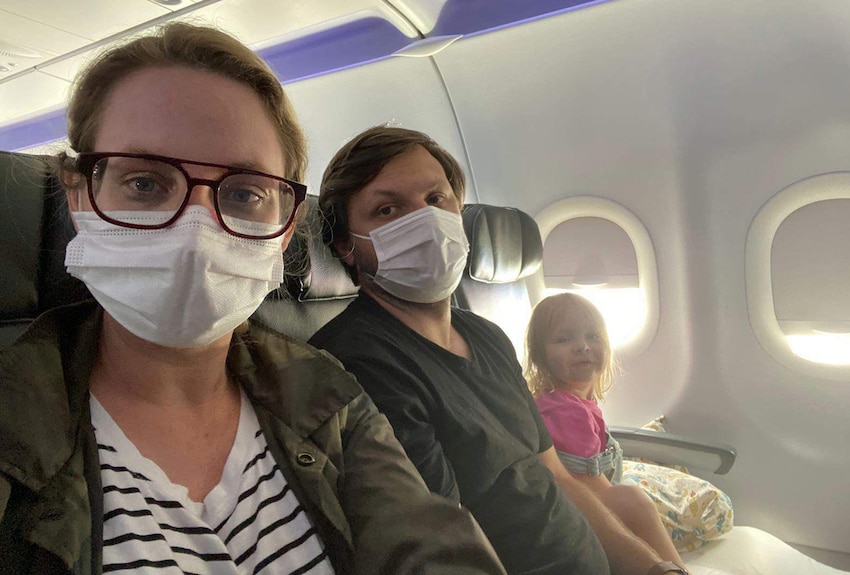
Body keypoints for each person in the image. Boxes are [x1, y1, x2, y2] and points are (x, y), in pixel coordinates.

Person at [0, 24, 506, 575]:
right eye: (144, 183)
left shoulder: (329, 396)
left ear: (287, 230)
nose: (196, 229)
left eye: (243, 194)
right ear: (79, 196)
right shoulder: (13, 417)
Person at [310, 125, 689, 575]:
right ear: (346, 245)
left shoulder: (487, 336)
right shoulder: (357, 365)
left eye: (436, 200)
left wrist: (656, 569)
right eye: (388, 209)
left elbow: (558, 477)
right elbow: (444, 549)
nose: (425, 222)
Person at [525, 293, 687, 567]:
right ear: (540, 357)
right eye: (564, 339)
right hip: (572, 510)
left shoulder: (572, 401)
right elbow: (584, 483)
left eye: (593, 336)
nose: (582, 347)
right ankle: (676, 569)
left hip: (578, 502)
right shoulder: (565, 412)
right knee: (631, 499)